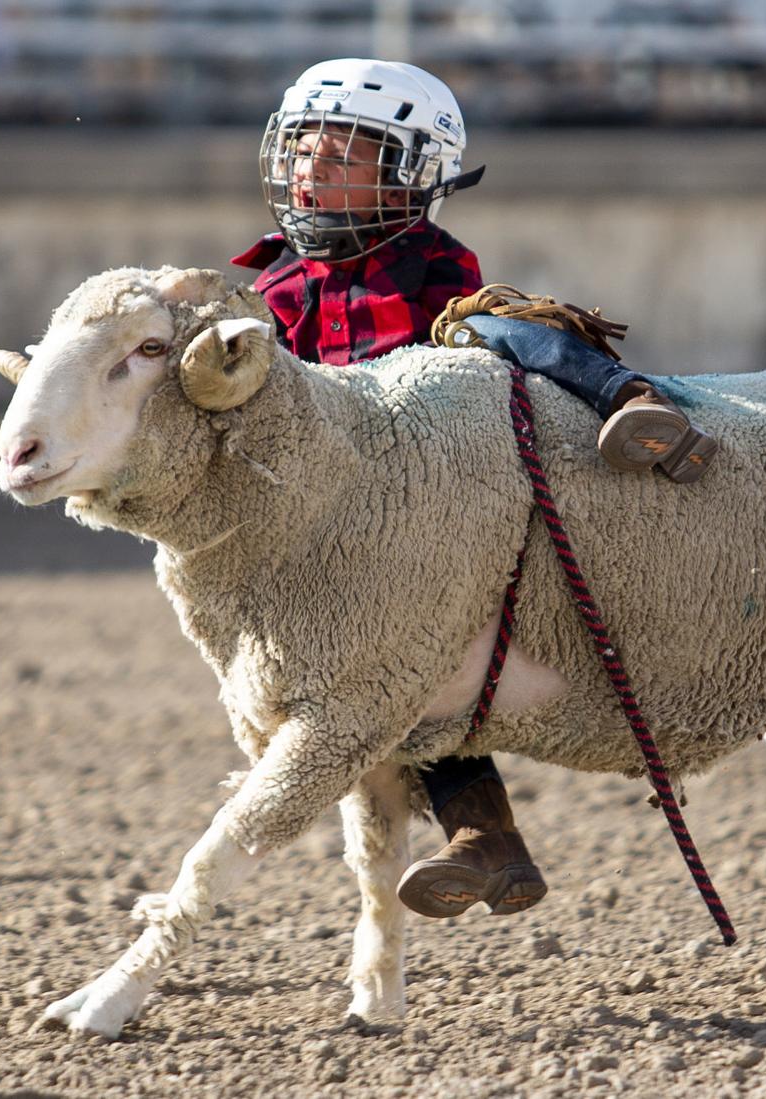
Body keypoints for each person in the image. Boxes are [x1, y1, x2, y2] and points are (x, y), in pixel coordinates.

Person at [231, 58, 716, 920]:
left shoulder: (429, 262)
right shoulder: (270, 287)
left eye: (340, 155)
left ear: (408, 175)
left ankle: (633, 403)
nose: (310, 168)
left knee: (501, 323)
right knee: (393, 686)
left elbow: (458, 383)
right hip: (357, 521)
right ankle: (487, 841)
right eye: (303, 149)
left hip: (447, 488)